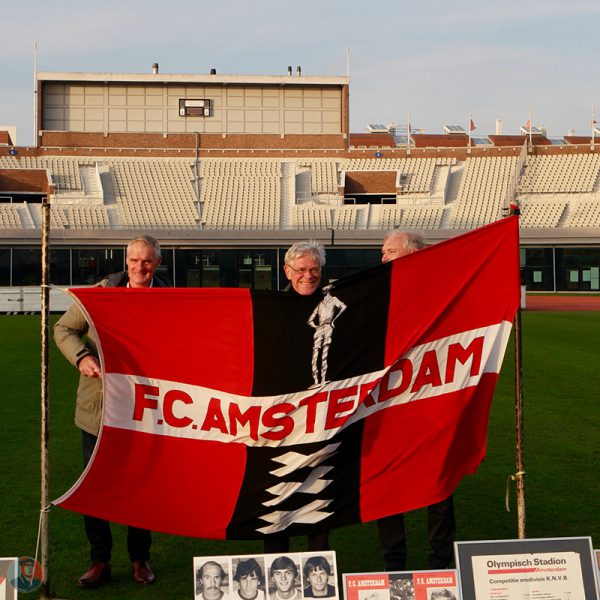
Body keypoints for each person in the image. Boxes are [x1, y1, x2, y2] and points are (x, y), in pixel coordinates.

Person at [53, 234, 169, 588]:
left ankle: (139, 558)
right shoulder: (101, 292)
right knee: (97, 485)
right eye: (134, 260)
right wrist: (82, 356)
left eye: (147, 261)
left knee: (140, 487)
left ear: (157, 263)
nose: (140, 267)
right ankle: (99, 560)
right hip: (99, 411)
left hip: (145, 411)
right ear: (126, 260)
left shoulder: (170, 300)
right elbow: (63, 328)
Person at [378, 230, 456, 571]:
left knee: (438, 486)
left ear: (414, 254)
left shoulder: (441, 291)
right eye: (382, 252)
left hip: (432, 403)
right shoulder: (376, 294)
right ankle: (394, 565)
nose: (383, 258)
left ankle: (441, 562)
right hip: (387, 407)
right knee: (388, 486)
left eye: (390, 251)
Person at [265, 241, 330, 554]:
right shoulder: (272, 308)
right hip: (281, 418)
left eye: (314, 269)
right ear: (287, 271)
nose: (308, 275)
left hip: (325, 418)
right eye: (302, 269)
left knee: (320, 494)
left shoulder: (337, 306)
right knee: (278, 492)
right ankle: (275, 566)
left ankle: (319, 568)